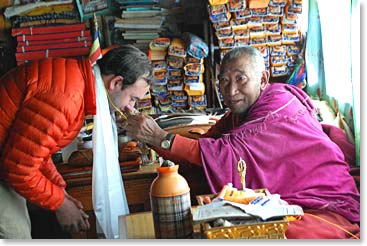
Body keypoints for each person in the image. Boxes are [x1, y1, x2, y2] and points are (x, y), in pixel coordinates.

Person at [123, 46, 360, 239]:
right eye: (224, 81)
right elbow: (207, 145)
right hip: (286, 199)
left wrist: (158, 137)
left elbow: (223, 154)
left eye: (240, 79)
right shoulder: (239, 112)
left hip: (322, 202)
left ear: (263, 79)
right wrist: (151, 138)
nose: (231, 90)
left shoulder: (277, 106)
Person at [0, 44, 153, 239]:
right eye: (132, 99)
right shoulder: (67, 97)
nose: (131, 109)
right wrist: (60, 204)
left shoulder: (76, 82)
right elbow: (19, 168)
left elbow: (34, 150)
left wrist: (60, 191)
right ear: (116, 83)